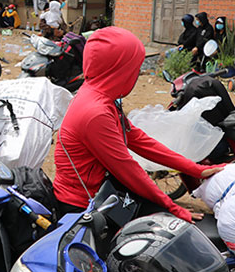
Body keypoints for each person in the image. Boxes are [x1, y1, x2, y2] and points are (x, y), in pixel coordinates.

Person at [53, 27, 223, 222]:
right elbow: (129, 170)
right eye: (134, 68)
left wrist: (194, 169)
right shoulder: (94, 113)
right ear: (118, 70)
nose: (137, 74)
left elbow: (139, 140)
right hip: (83, 206)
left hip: (102, 192)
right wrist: (172, 207)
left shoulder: (101, 96)